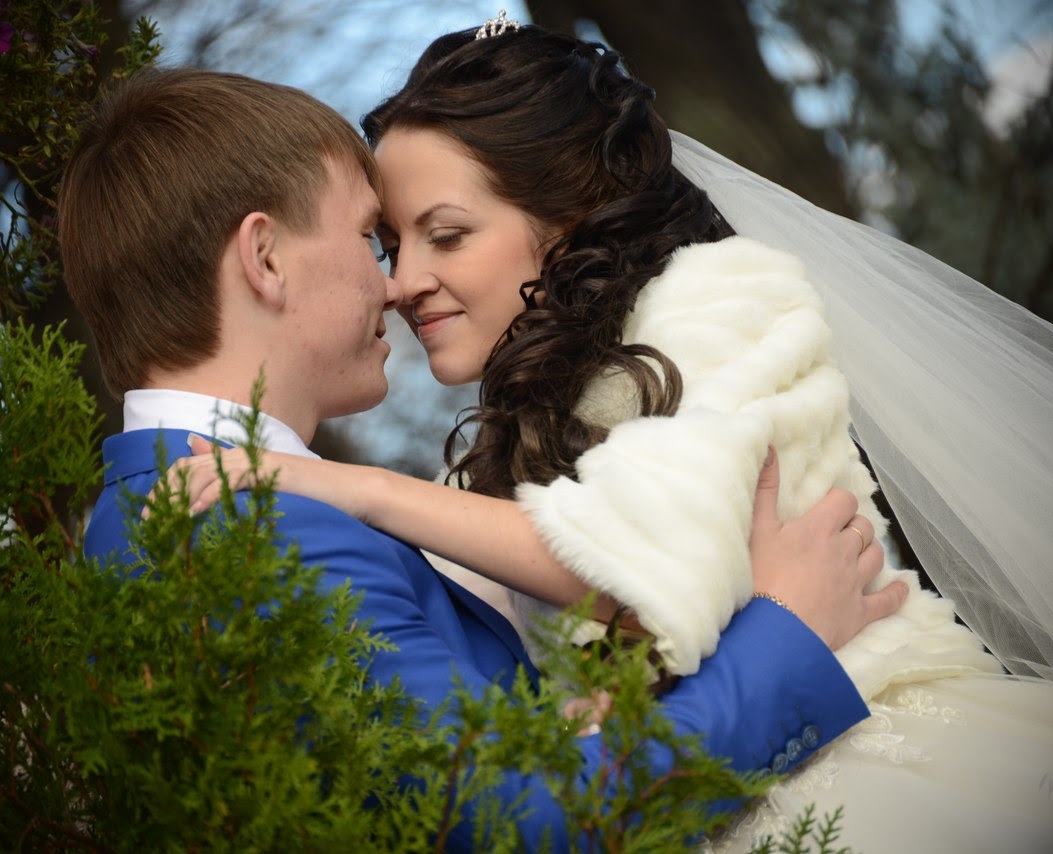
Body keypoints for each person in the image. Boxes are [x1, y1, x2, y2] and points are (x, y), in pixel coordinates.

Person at [167, 17, 1053, 853]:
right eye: (390, 245)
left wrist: (352, 487)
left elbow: (639, 563)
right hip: (702, 787)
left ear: (567, 216)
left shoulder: (718, 302)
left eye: (445, 235)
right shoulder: (521, 419)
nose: (399, 280)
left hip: (871, 755)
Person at [58, 66, 905, 851]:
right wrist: (788, 637)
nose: (393, 285)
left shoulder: (164, 511)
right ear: (265, 258)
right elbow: (519, 823)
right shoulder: (258, 530)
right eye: (369, 236)